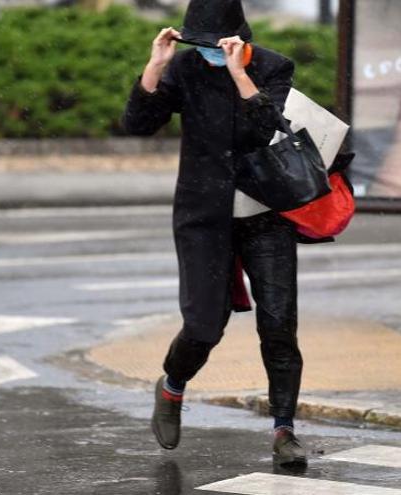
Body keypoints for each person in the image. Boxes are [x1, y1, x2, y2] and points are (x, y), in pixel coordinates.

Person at [119, 0, 307, 467]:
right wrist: (155, 67)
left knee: (279, 324)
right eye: (200, 44)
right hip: (204, 215)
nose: (209, 53)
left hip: (265, 214)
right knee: (204, 325)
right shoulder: (185, 68)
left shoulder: (272, 66)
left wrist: (240, 72)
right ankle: (173, 386)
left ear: (241, 39)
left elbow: (268, 129)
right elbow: (138, 125)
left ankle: (284, 430)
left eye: (216, 45)